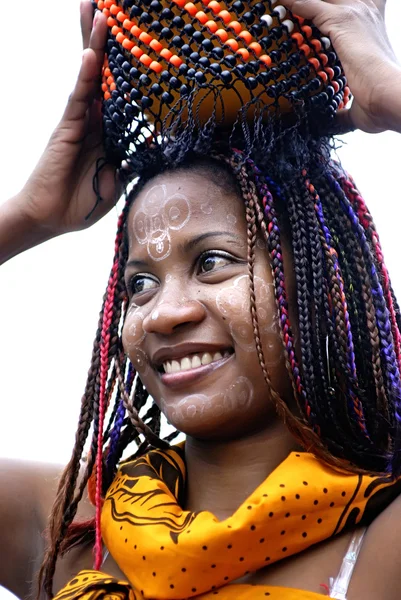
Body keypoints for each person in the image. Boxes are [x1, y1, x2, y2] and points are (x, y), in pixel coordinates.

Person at [1, 0, 401, 599]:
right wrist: (26, 218)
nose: (165, 313)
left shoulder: (382, 540)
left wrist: (389, 88)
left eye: (212, 263)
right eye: (140, 283)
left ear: (326, 282)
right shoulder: (71, 529)